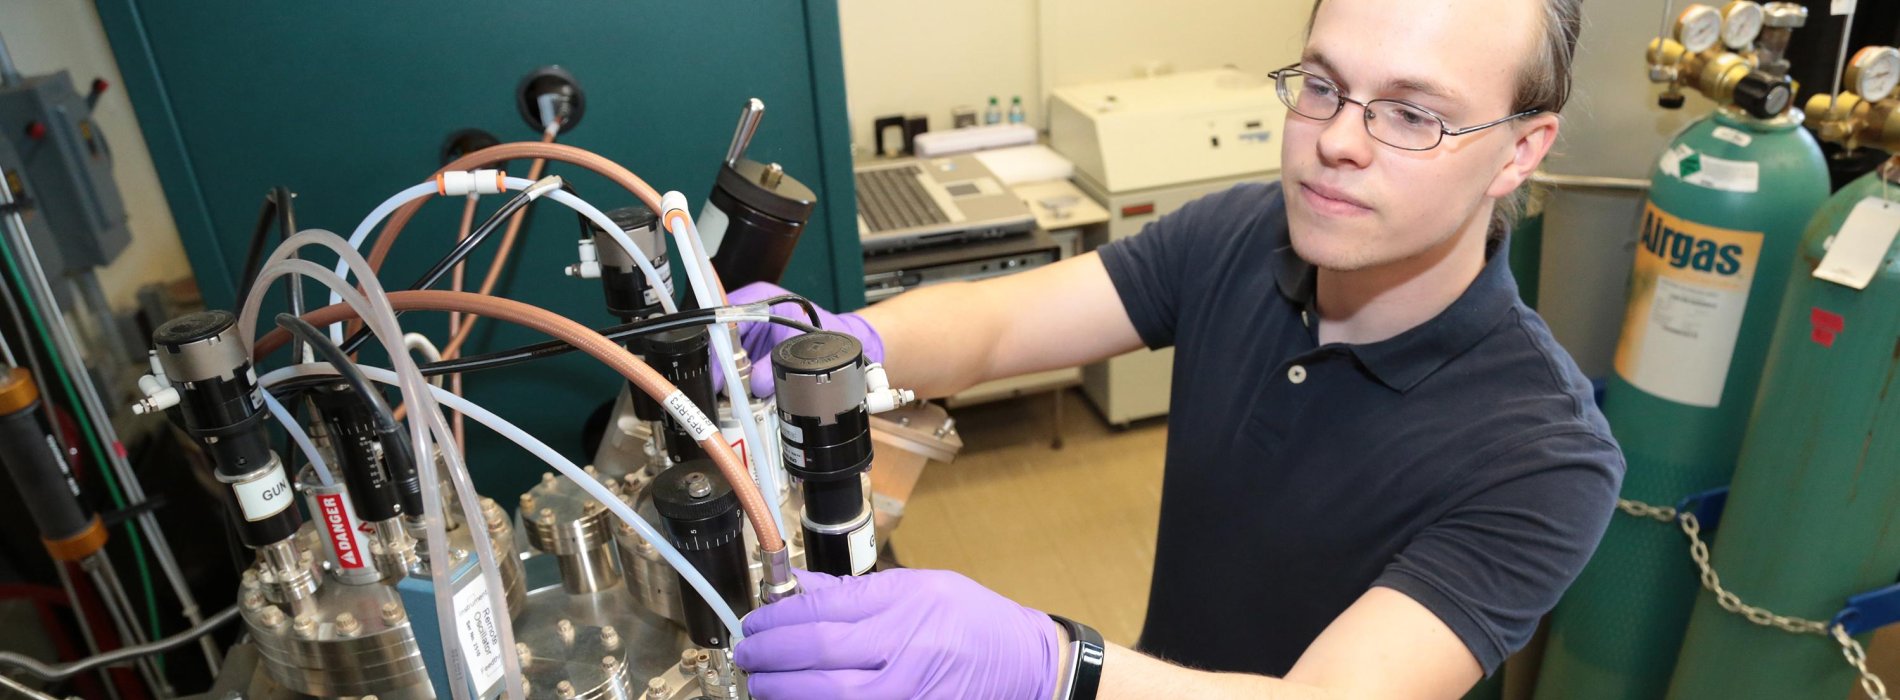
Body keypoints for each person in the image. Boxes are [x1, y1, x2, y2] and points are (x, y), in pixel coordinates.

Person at [724, 0, 1622, 696]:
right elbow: (998, 325)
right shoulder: (1240, 234)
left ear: (1520, 151)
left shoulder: (1544, 455)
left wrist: (1051, 667)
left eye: (1413, 114)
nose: (1337, 141)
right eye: (1321, 86)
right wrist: (848, 340)